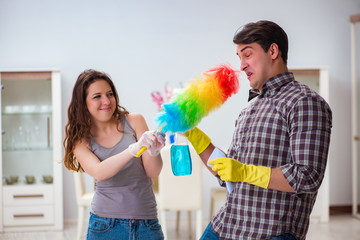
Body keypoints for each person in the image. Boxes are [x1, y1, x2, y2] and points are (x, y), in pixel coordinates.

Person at [185, 20, 332, 240]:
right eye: (239, 58)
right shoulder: (250, 109)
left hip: (269, 232)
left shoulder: (305, 102)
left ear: (273, 51)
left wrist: (245, 172)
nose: (241, 65)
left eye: (247, 54)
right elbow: (229, 176)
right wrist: (192, 134)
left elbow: (307, 176)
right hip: (225, 225)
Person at [63, 69, 165, 240]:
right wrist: (133, 149)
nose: (106, 101)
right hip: (105, 226)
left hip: (147, 224)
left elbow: (153, 173)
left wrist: (153, 152)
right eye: (97, 96)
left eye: (110, 94)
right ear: (83, 103)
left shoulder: (135, 121)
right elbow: (100, 172)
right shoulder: (81, 140)